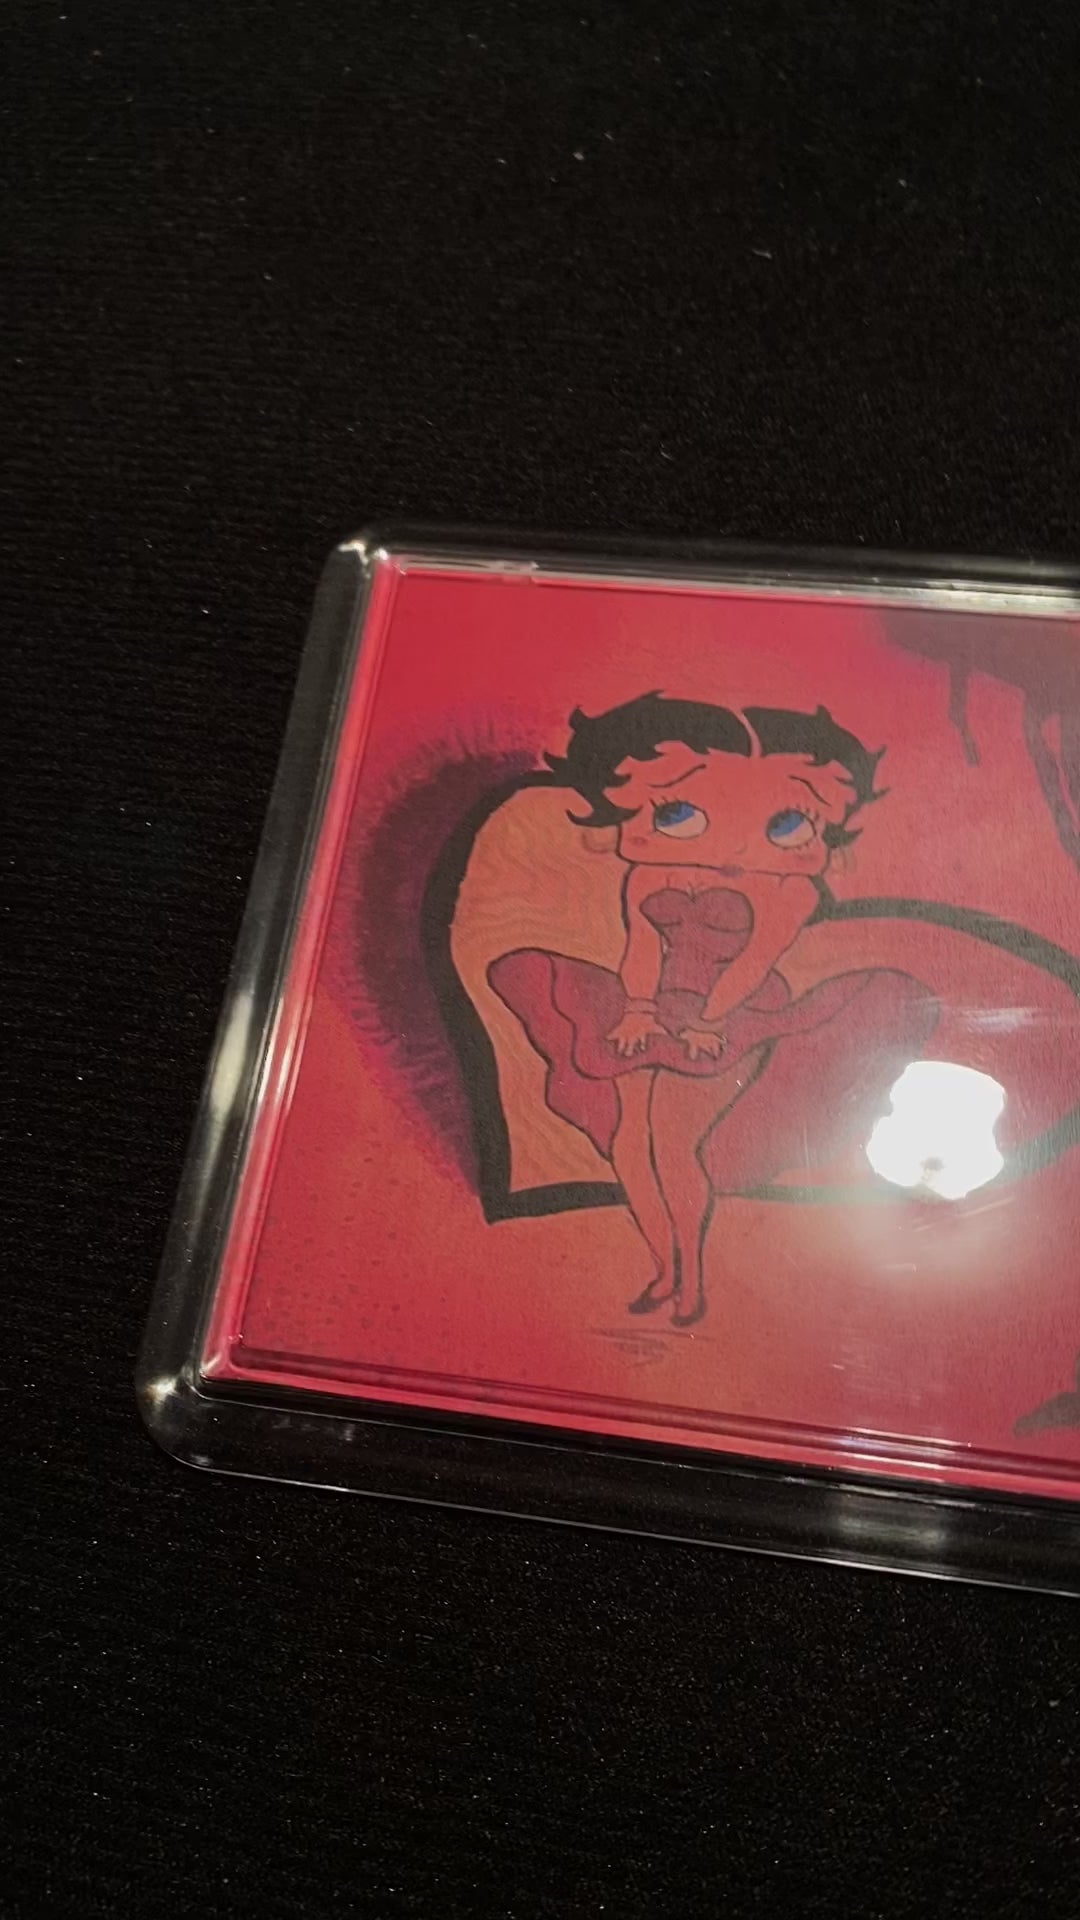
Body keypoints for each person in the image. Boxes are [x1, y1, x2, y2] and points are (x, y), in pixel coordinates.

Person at [489, 693, 937, 1326]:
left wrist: (708, 1021)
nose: (732, 844)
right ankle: (663, 1267)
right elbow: (643, 948)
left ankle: (692, 1280)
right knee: (628, 1143)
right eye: (675, 813)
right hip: (656, 1005)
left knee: (675, 1146)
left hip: (734, 1012)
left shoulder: (790, 891)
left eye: (791, 824)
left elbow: (754, 963)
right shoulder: (649, 874)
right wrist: (638, 1011)